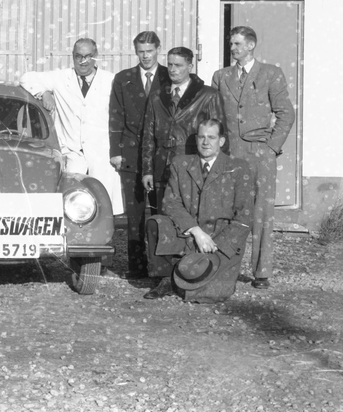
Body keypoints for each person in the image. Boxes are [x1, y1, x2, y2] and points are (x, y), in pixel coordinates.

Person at [211, 26, 296, 290]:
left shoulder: (270, 73)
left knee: (261, 214)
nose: (233, 48)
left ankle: (261, 272)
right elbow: (214, 115)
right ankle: (224, 266)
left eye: (237, 44)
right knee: (226, 210)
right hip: (229, 153)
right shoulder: (221, 76)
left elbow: (286, 113)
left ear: (251, 45)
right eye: (231, 44)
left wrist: (271, 147)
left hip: (260, 155)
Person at [143, 119, 255, 302]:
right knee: (155, 223)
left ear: (221, 141)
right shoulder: (181, 164)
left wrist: (217, 244)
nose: (206, 142)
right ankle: (166, 278)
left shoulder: (238, 167)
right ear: (196, 139)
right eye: (202, 137)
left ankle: (187, 277)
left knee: (211, 292)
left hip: (220, 238)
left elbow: (245, 216)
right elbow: (170, 203)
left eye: (211, 137)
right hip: (188, 233)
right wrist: (196, 231)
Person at [19, 38, 124, 216]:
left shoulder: (111, 80)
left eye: (88, 56)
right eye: (78, 56)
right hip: (72, 152)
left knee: (103, 206)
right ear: (72, 56)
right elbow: (26, 78)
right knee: (70, 204)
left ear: (96, 56)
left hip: (101, 153)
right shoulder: (61, 78)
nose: (83, 61)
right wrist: (44, 92)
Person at [108, 31, 170, 277]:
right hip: (132, 153)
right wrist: (116, 151)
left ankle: (160, 266)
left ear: (158, 50)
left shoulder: (169, 75)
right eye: (141, 52)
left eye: (150, 51)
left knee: (160, 211)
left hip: (159, 154)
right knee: (134, 215)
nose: (145, 56)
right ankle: (137, 266)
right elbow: (116, 115)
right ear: (135, 52)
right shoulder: (124, 79)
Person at [140, 47, 223, 207]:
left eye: (178, 65)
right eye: (170, 64)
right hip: (161, 170)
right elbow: (148, 137)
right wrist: (147, 170)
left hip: (194, 168)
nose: (172, 69)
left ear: (190, 67)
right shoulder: (156, 97)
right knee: (162, 216)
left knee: (191, 216)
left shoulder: (208, 95)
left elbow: (219, 137)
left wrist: (216, 172)